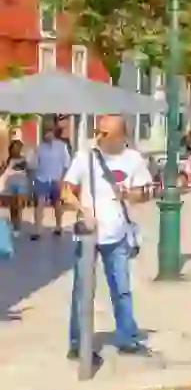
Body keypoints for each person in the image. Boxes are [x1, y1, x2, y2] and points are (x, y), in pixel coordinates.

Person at [60, 116, 153, 361]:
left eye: (105, 134)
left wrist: (130, 194)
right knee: (82, 290)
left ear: (121, 137)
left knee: (121, 289)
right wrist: (83, 209)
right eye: (97, 132)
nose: (99, 137)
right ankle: (78, 342)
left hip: (117, 234)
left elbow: (145, 193)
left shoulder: (133, 160)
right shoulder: (85, 156)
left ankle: (127, 337)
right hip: (88, 236)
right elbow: (65, 190)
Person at [32, 126, 72, 238]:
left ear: (52, 132)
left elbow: (66, 164)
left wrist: (62, 179)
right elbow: (35, 163)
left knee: (57, 203)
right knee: (40, 204)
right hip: (42, 178)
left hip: (56, 179)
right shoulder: (40, 148)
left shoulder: (61, 146)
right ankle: (38, 230)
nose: (45, 135)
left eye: (47, 132)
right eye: (44, 133)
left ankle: (59, 227)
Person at [1, 139, 31, 238]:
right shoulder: (9, 160)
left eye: (18, 148)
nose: (16, 150)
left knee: (18, 205)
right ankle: (14, 226)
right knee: (13, 207)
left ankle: (17, 226)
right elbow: (4, 171)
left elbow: (22, 167)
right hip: (10, 184)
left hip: (21, 184)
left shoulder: (23, 159)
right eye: (14, 148)